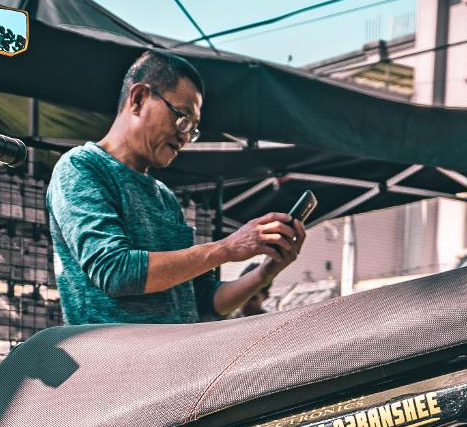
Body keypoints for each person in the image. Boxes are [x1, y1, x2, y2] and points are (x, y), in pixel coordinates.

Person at [47, 51, 304, 325]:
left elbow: (203, 302)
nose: (185, 136)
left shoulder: (165, 199)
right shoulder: (80, 167)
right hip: (112, 353)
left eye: (192, 129)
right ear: (139, 98)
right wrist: (228, 248)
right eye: (182, 118)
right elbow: (115, 271)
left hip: (177, 351)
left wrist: (263, 274)